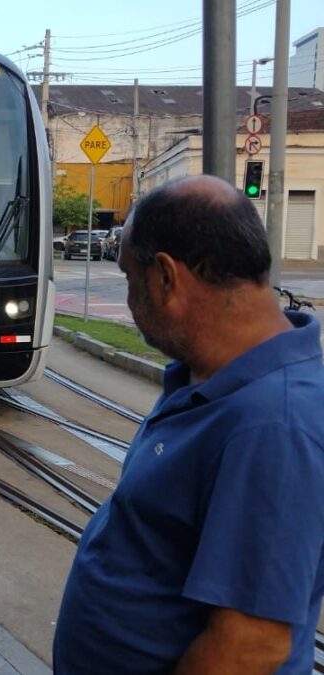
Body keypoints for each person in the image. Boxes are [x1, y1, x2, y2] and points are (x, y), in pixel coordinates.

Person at [53, 175, 324, 674]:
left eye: (130, 279)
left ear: (165, 277)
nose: (133, 301)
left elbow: (250, 647)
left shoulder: (273, 425)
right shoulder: (212, 380)